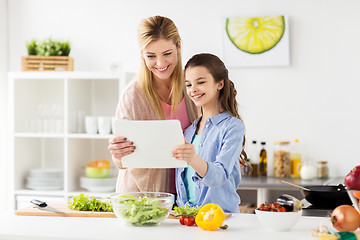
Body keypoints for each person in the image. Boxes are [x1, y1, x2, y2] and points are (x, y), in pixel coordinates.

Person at [108, 16, 199, 194]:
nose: (160, 63)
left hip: (188, 195)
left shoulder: (193, 86)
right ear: (142, 54)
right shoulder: (133, 96)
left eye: (167, 54)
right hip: (143, 198)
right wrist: (118, 153)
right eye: (151, 56)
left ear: (178, 46)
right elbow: (121, 163)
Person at [172, 53, 247, 213]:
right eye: (189, 85)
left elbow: (219, 175)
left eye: (201, 82)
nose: (193, 90)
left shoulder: (232, 127)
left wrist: (192, 158)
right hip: (188, 217)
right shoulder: (188, 131)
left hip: (220, 218)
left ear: (219, 84)